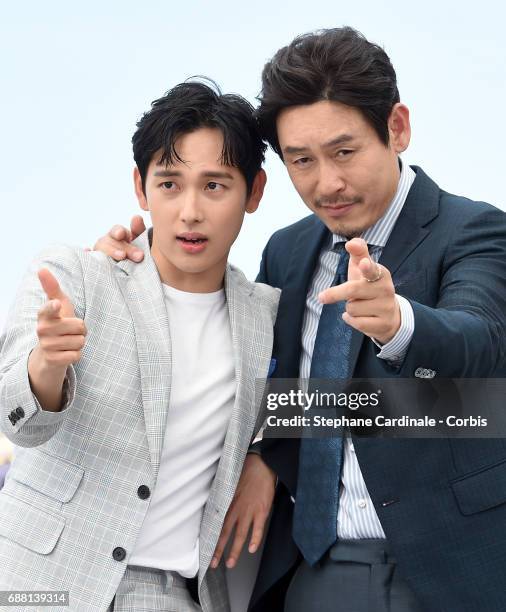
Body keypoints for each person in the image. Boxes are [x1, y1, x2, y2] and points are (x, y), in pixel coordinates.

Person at [95, 27, 506, 612]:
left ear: (397, 128)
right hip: (315, 569)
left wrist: (399, 323)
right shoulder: (288, 254)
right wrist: (267, 454)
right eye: (301, 161)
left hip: (449, 565)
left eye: (344, 152)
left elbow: (480, 340)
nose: (326, 183)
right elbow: (276, 377)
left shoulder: (473, 230)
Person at [0, 80, 280, 612]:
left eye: (215, 186)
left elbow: (299, 403)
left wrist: (265, 459)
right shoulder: (75, 274)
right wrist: (46, 366)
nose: (190, 211)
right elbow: (16, 423)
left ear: (255, 191)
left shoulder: (266, 316)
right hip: (34, 579)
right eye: (169, 184)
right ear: (140, 187)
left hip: (166, 590)